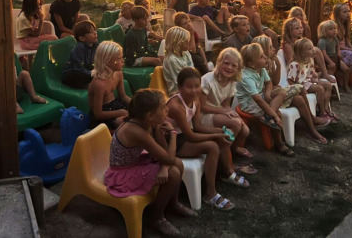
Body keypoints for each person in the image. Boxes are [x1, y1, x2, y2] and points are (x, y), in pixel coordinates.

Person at [104, 89, 196, 236]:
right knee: (173, 173)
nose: (167, 110)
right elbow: (167, 158)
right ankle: (156, 218)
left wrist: (164, 166)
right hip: (122, 173)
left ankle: (173, 204)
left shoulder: (149, 123)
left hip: (135, 162)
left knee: (178, 163)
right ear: (150, 115)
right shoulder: (137, 131)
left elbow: (164, 152)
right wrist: (173, 133)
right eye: (163, 108)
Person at [167, 67, 247, 212]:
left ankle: (226, 172)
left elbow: (198, 126)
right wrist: (215, 135)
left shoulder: (195, 101)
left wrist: (219, 132)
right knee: (212, 146)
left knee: (221, 138)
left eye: (197, 86)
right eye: (189, 87)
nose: (194, 90)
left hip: (184, 135)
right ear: (179, 87)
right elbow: (191, 135)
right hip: (171, 141)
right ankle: (210, 193)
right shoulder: (176, 106)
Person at [253, 35, 329, 141]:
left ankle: (312, 129)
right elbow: (270, 86)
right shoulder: (258, 68)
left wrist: (278, 64)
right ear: (263, 51)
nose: (274, 49)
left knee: (299, 99)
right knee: (300, 89)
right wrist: (272, 89)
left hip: (273, 94)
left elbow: (275, 82)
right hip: (269, 98)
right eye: (270, 47)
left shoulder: (271, 62)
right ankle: (313, 121)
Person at [237, 43, 295, 155]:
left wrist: (268, 94)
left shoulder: (261, 69)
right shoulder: (245, 76)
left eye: (264, 55)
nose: (265, 57)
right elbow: (258, 100)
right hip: (249, 104)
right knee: (277, 114)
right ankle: (279, 144)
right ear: (251, 63)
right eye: (261, 56)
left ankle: (268, 117)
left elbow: (268, 83)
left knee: (281, 92)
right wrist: (273, 114)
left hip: (260, 97)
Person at [200, 48, 253, 161]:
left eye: (234, 65)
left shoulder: (231, 81)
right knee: (235, 124)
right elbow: (201, 106)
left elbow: (226, 105)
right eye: (226, 63)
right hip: (203, 115)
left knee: (245, 130)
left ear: (238, 68)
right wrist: (224, 112)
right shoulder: (208, 80)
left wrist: (232, 113)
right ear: (219, 62)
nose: (229, 67)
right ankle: (223, 152)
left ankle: (232, 149)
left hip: (217, 112)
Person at [288, 38, 338, 123]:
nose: (313, 50)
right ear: (302, 53)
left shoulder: (309, 60)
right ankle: (322, 113)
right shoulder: (295, 65)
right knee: (320, 89)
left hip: (308, 82)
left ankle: (326, 108)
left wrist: (314, 75)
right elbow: (290, 80)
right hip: (301, 85)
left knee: (328, 85)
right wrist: (298, 90)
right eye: (310, 49)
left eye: (312, 48)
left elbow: (310, 74)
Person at [88, 41, 132, 129]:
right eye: (119, 58)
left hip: (116, 105)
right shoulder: (99, 84)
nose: (123, 61)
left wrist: (136, 104)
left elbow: (123, 96)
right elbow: (98, 114)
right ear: (108, 61)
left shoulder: (118, 74)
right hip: (103, 116)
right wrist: (120, 112)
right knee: (126, 123)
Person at [281, 17, 336, 84]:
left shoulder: (299, 41)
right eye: (297, 28)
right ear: (289, 31)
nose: (300, 30)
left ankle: (325, 74)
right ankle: (319, 75)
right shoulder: (288, 45)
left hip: (305, 65)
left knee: (316, 50)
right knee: (315, 51)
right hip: (298, 70)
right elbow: (291, 61)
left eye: (301, 27)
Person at [318, 20, 352, 93]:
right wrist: (330, 62)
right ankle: (331, 89)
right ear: (324, 31)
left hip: (335, 57)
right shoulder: (322, 41)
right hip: (327, 59)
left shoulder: (335, 38)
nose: (334, 30)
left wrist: (339, 53)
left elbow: (338, 46)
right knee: (331, 73)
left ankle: (346, 85)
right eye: (331, 29)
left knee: (346, 69)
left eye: (335, 28)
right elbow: (324, 54)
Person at [62, 20, 98, 89]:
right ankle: (86, 85)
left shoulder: (95, 45)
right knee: (79, 76)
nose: (95, 33)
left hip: (86, 70)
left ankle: (91, 82)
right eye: (91, 32)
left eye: (95, 30)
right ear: (82, 38)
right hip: (73, 73)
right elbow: (78, 68)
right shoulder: (79, 48)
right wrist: (92, 73)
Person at [173, 12, 209, 76]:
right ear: (179, 26)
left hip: (193, 55)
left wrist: (205, 60)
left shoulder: (193, 32)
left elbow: (198, 46)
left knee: (205, 56)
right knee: (197, 59)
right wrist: (191, 34)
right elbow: (192, 50)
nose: (189, 24)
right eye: (185, 23)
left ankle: (206, 73)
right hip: (184, 55)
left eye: (189, 21)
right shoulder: (180, 35)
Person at [162, 26, 194, 96]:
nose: (188, 43)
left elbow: (192, 71)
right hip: (177, 91)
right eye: (186, 41)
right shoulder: (172, 59)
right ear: (178, 43)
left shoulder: (186, 53)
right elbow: (179, 81)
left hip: (190, 85)